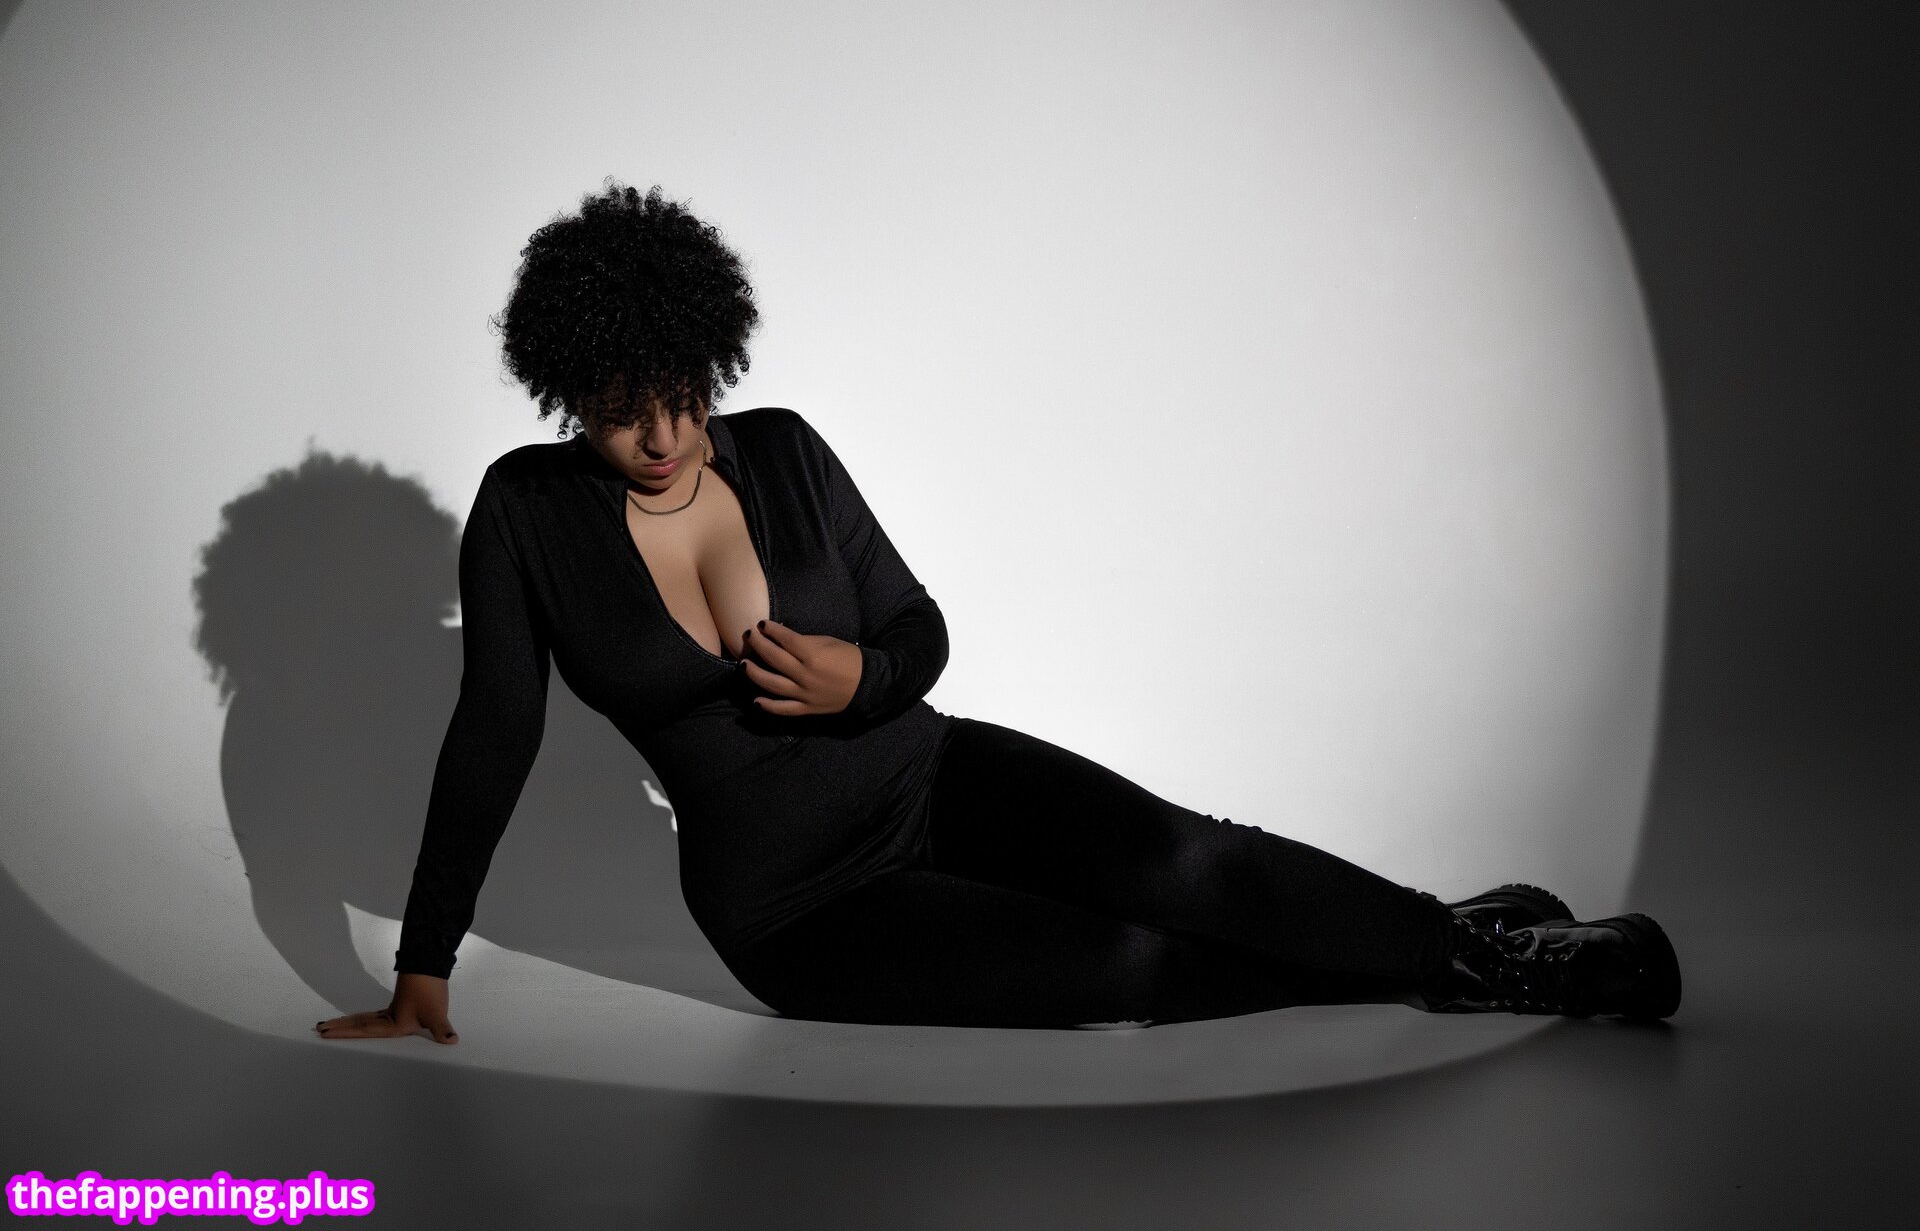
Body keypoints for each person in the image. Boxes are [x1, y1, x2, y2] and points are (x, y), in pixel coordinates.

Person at [316, 182, 1682, 1046]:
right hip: (798, 912)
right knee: (1128, 967)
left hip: (932, 779)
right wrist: (423, 966)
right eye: (623, 414)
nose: (663, 437)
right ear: (566, 393)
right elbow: (491, 738)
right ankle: (1431, 951)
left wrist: (862, 682)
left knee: (1189, 858)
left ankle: (1486, 954)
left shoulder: (782, 450)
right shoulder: (527, 516)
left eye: (681, 396)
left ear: (710, 358)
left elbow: (919, 630)